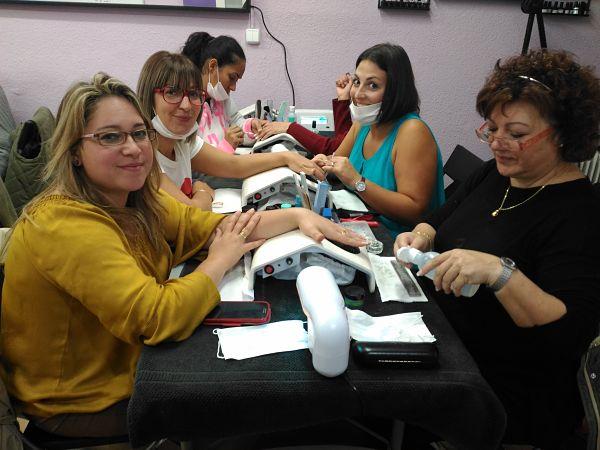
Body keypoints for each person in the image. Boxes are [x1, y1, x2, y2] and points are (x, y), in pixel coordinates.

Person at [0, 73, 365, 438]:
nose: (133, 148)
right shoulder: (65, 224)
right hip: (79, 405)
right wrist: (218, 261)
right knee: (245, 408)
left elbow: (207, 226)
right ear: (75, 152)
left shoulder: (135, 199)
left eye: (139, 133)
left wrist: (299, 217)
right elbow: (155, 317)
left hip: (126, 366)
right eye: (110, 136)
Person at [394, 49, 600, 449]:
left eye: (517, 134)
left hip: (500, 393)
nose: (498, 143)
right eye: (491, 129)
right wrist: (419, 234)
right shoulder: (496, 174)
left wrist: (499, 272)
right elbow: (436, 220)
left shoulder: (582, 214)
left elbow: (566, 335)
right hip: (445, 348)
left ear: (563, 133)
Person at [138, 50, 325, 210]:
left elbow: (234, 165)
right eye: (172, 92)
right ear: (149, 97)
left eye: (194, 94)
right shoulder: (144, 159)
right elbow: (192, 213)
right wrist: (202, 190)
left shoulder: (182, 142)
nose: (186, 105)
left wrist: (287, 158)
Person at [313, 43, 445, 237]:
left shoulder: (412, 132)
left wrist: (357, 181)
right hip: (360, 223)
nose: (358, 95)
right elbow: (334, 162)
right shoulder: (364, 122)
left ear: (395, 91)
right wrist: (320, 164)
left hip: (396, 243)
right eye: (357, 82)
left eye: (373, 85)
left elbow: (415, 212)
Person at [254, 73, 353, 156]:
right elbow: (343, 143)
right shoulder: (360, 124)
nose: (359, 93)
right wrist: (343, 99)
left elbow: (334, 149)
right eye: (357, 82)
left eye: (369, 85)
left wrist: (290, 127)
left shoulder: (361, 125)